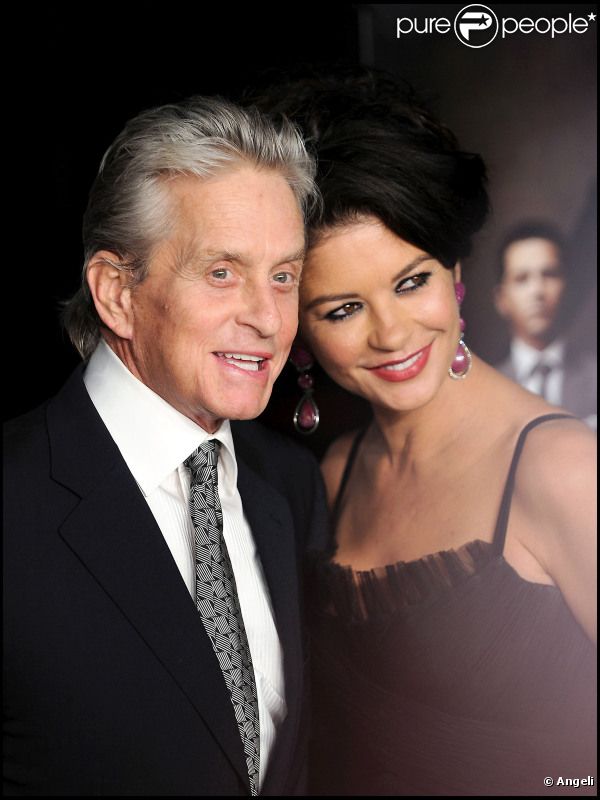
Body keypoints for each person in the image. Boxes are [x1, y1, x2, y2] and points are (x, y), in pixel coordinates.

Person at [253, 69, 597, 795]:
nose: (392, 334)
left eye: (412, 282)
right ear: (298, 329)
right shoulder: (334, 472)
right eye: (343, 309)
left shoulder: (566, 471)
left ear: (455, 268)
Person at [3, 96, 328, 796]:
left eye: (283, 276)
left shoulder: (292, 484)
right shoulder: (13, 499)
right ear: (117, 293)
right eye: (222, 272)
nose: (268, 318)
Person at [494, 221, 596, 429]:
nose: (537, 291)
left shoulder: (594, 376)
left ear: (567, 287)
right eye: (522, 279)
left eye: (549, 274)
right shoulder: (488, 389)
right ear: (501, 298)